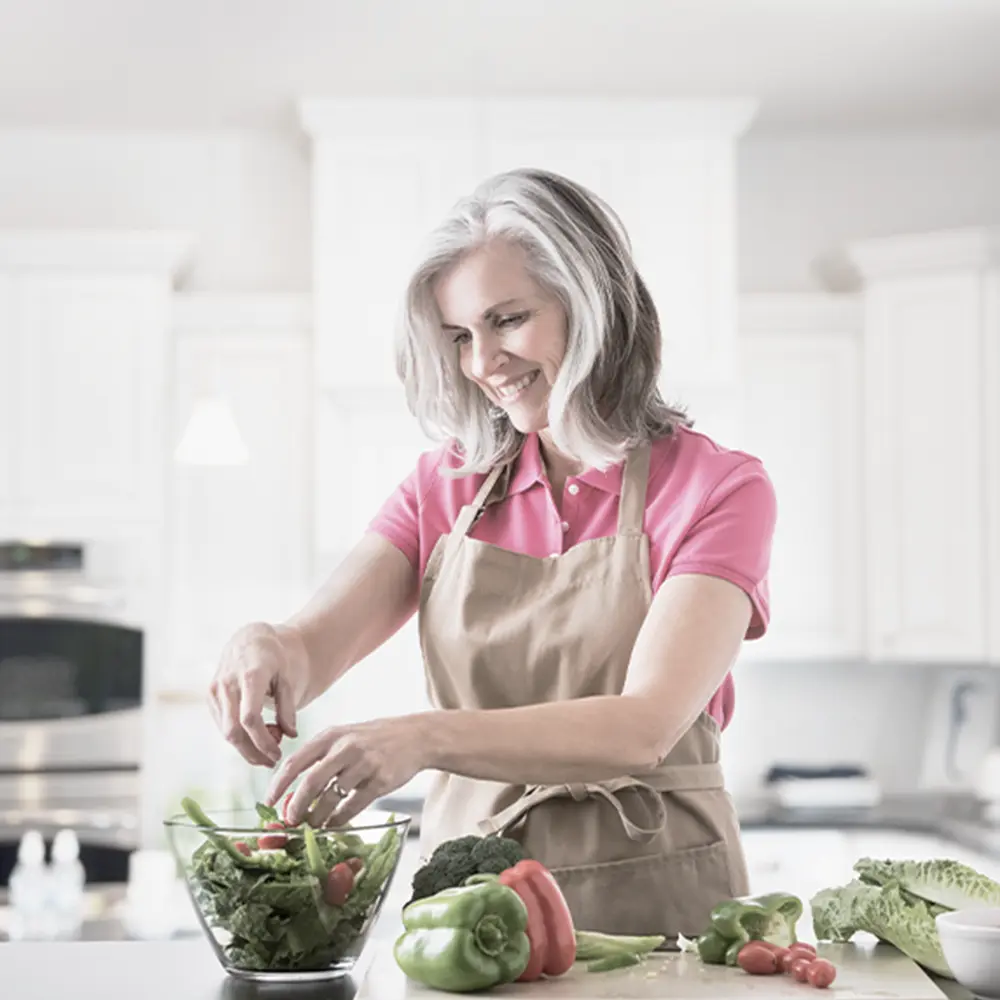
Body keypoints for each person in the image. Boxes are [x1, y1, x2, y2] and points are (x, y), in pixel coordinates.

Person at [208, 167, 777, 942]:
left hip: (662, 900)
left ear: (594, 304)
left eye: (507, 320)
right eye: (459, 338)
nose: (482, 363)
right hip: (472, 908)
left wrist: (425, 737)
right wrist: (264, 644)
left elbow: (642, 727)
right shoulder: (445, 485)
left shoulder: (717, 488)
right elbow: (310, 649)